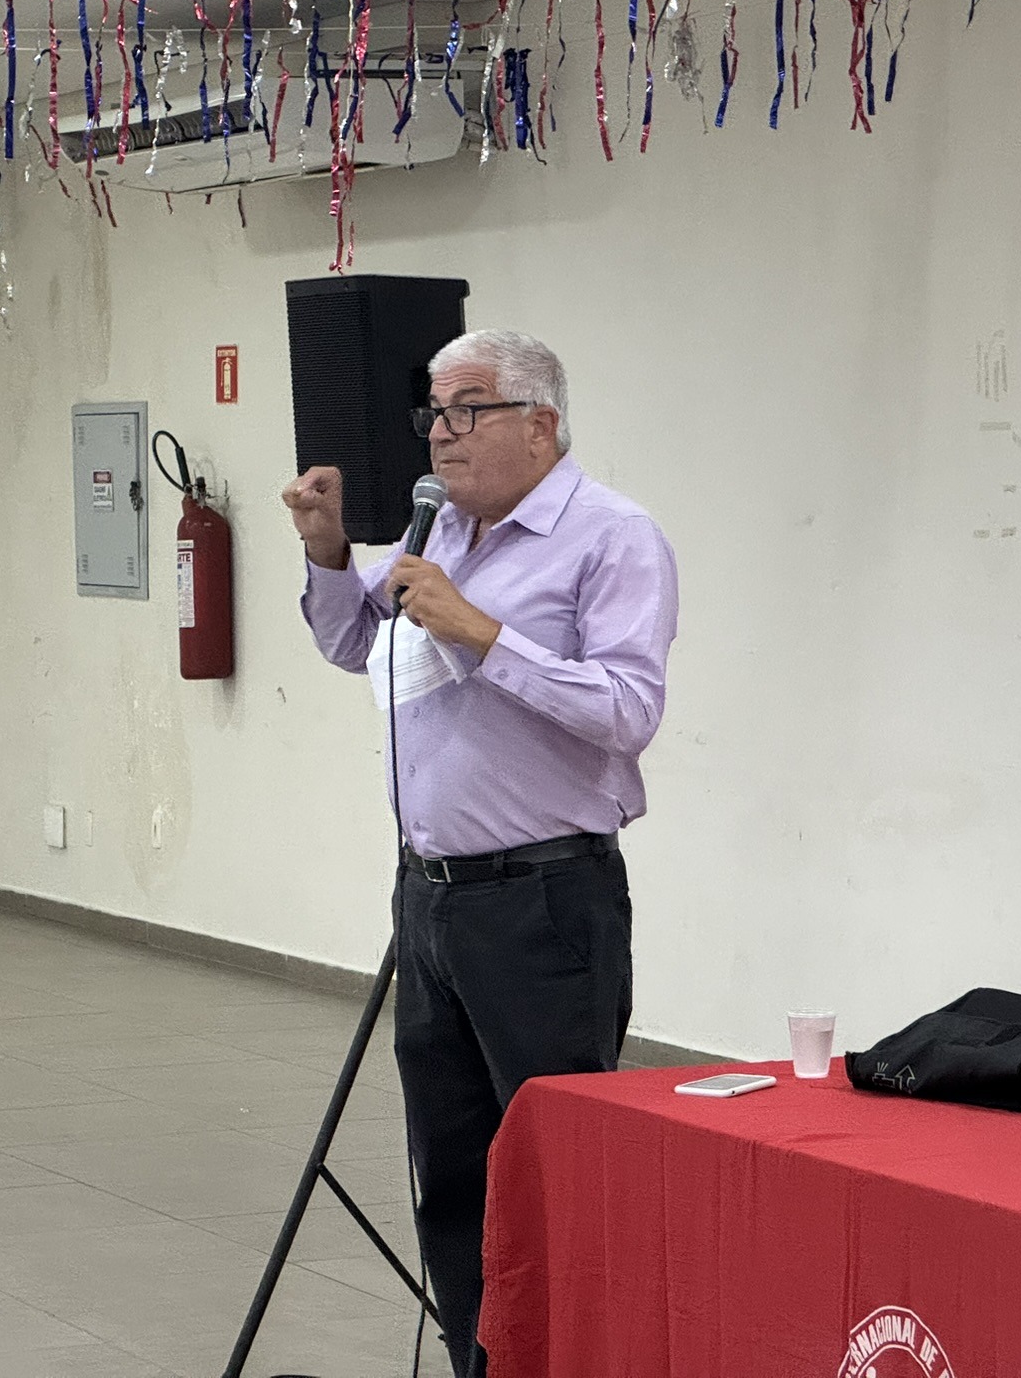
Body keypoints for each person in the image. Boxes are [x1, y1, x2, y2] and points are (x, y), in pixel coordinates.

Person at [282, 329, 680, 1377]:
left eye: (467, 410)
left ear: (540, 424)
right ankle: (479, 1362)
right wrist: (328, 553)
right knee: (451, 1174)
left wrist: (481, 633)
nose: (441, 435)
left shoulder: (612, 538)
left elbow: (627, 710)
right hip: (429, 900)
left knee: (554, 1172)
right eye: (434, 413)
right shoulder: (438, 529)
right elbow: (356, 643)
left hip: (543, 901)